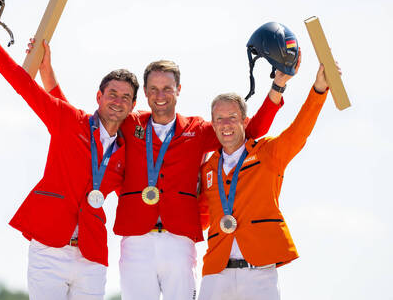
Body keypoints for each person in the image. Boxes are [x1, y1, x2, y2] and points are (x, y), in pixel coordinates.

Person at [0, 21, 139, 300]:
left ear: (133, 105)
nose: (118, 101)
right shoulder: (69, 121)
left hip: (92, 255)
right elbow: (24, 86)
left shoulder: (127, 151)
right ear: (99, 96)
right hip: (49, 249)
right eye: (112, 93)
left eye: (126, 97)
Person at [111, 59, 289, 300]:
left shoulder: (196, 130)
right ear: (144, 92)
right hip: (135, 240)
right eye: (153, 89)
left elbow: (250, 131)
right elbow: (88, 124)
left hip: (179, 240)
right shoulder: (131, 123)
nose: (159, 95)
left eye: (167, 88)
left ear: (179, 90)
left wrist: (277, 87)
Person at [197, 60, 338, 300]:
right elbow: (198, 217)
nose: (226, 124)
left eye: (232, 117)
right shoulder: (207, 168)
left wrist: (319, 90)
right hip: (215, 271)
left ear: (244, 120)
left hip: (259, 272)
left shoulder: (267, 152)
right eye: (219, 119)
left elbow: (298, 131)